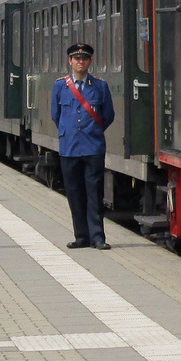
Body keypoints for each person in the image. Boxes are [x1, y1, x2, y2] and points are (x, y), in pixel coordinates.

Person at [51, 42, 115, 251]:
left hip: (93, 147)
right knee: (74, 193)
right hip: (69, 147)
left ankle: (97, 236)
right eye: (77, 58)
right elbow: (56, 115)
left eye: (84, 58)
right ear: (70, 61)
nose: (81, 61)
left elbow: (107, 116)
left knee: (94, 194)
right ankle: (81, 236)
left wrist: (92, 132)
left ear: (90, 61)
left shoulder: (100, 87)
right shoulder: (60, 86)